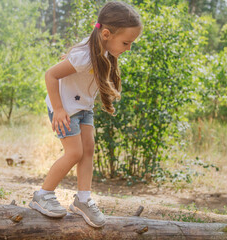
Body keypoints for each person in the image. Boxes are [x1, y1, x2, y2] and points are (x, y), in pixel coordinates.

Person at [29, 1, 142, 228]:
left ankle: (83, 199)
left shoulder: (102, 50)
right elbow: (50, 75)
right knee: (75, 153)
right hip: (65, 110)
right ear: (107, 34)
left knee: (88, 149)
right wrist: (59, 109)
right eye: (127, 42)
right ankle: (43, 194)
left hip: (82, 108)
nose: (129, 48)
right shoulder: (84, 56)